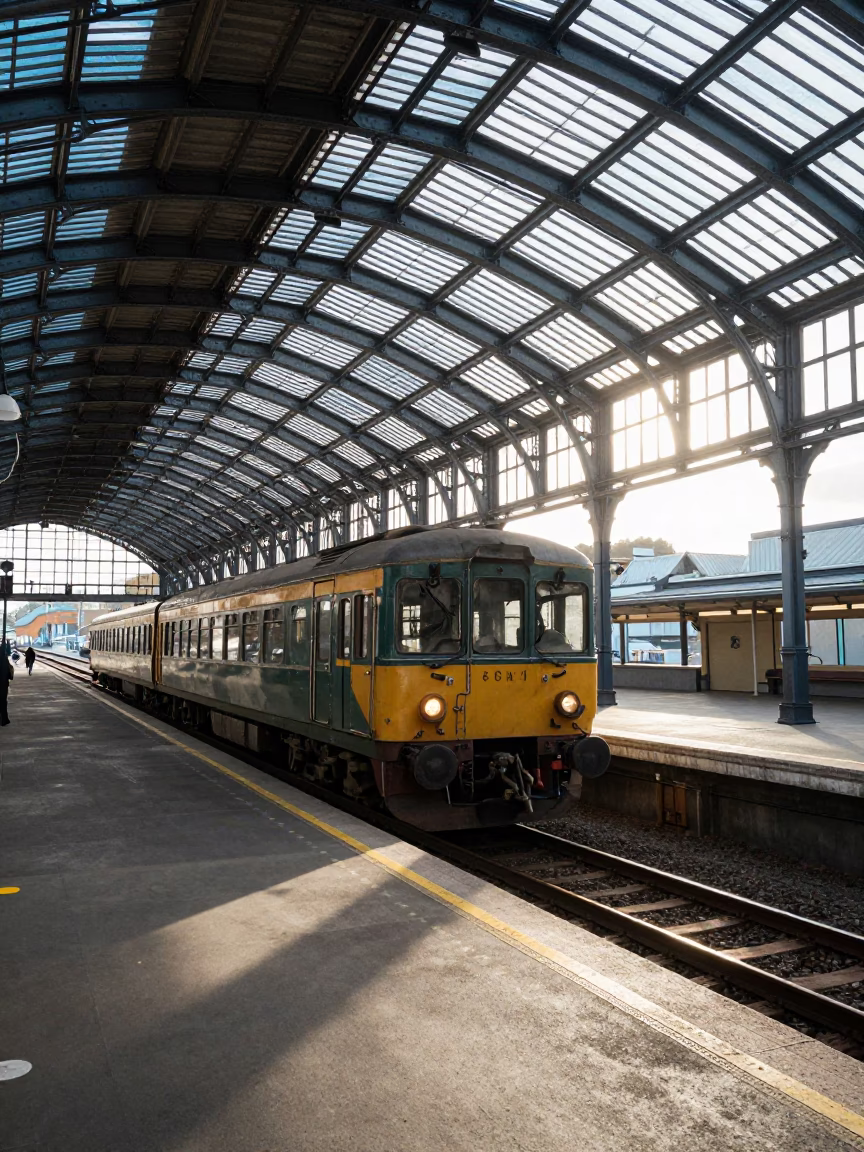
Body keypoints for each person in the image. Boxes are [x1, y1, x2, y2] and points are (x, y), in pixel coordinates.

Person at [0, 648, 14, 726]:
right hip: (3, 685)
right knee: (3, 702)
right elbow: (10, 673)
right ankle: (4, 720)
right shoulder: (5, 660)